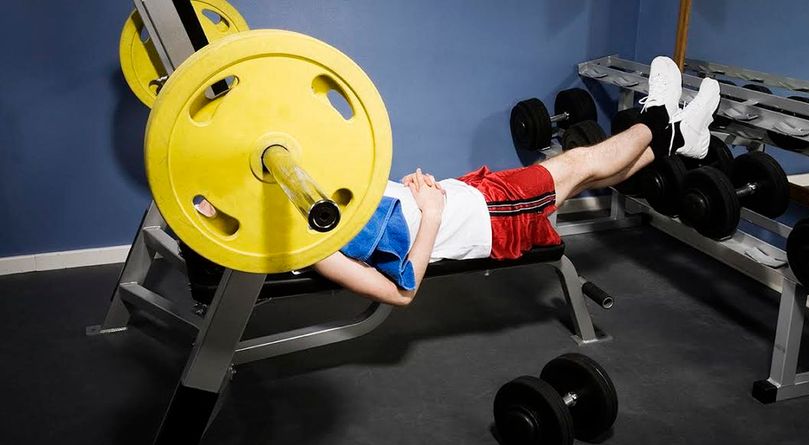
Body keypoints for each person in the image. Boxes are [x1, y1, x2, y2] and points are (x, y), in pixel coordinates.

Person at [196, 57, 721, 307]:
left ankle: (674, 142)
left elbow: (219, 216)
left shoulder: (296, 191)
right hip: (488, 218)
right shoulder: (314, 244)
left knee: (583, 176)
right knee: (581, 163)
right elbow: (401, 294)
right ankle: (661, 121)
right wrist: (430, 213)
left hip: (472, 194)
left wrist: (410, 191)